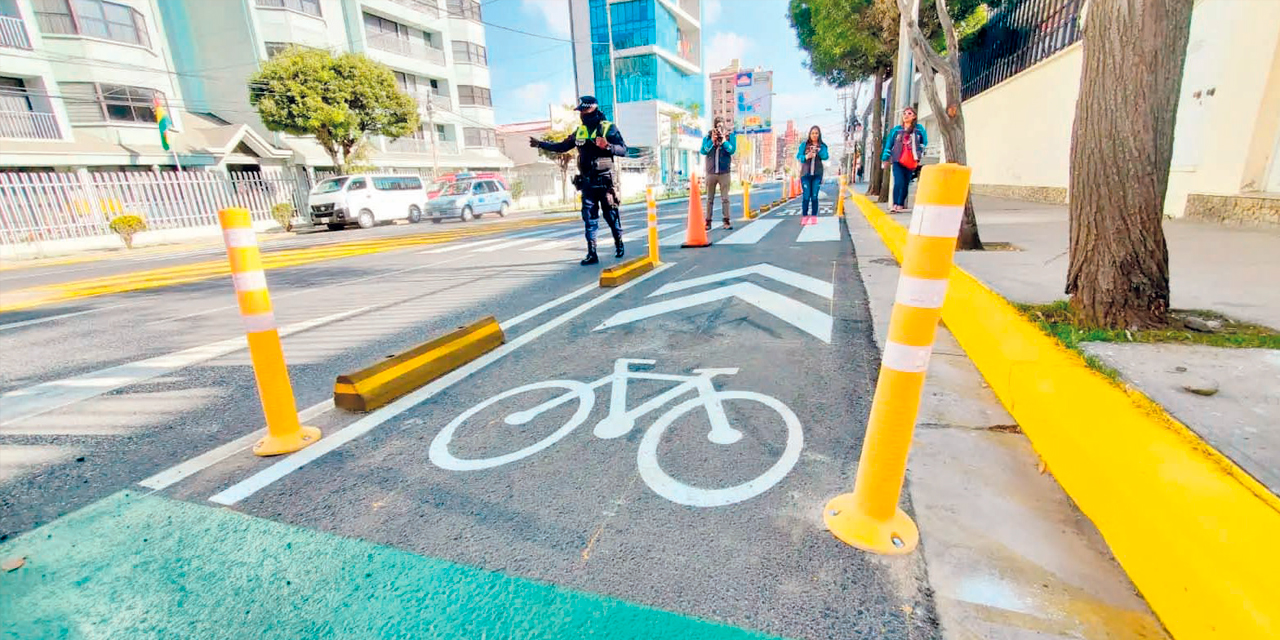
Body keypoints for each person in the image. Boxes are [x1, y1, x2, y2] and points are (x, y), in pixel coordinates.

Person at [529, 96, 627, 265]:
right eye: (580, 110)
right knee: (589, 218)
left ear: (593, 109)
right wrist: (541, 144)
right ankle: (592, 253)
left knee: (611, 215)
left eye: (584, 109)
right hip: (587, 181)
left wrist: (608, 146)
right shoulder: (580, 131)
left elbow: (624, 149)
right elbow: (562, 146)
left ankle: (619, 243)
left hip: (605, 181)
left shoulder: (608, 128)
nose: (582, 113)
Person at [881, 106, 928, 213]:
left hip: (911, 160)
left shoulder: (919, 129)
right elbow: (889, 144)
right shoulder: (896, 130)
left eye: (909, 113)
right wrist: (885, 158)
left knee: (906, 183)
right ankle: (895, 204)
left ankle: (901, 203)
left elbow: (924, 142)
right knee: (898, 182)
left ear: (914, 116)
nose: (906, 115)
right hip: (898, 159)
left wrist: (919, 153)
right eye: (905, 113)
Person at [700, 116, 736, 230]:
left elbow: (732, 150)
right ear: (714, 126)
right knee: (709, 199)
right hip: (711, 173)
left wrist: (724, 141)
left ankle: (726, 221)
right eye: (717, 125)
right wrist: (712, 140)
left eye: (721, 125)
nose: (719, 128)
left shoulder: (730, 136)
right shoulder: (708, 136)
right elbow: (703, 151)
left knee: (725, 198)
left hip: (724, 172)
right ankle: (708, 222)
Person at [795, 126, 829, 223]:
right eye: (812, 133)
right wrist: (806, 156)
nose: (814, 135)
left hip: (817, 174)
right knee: (806, 196)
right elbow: (798, 156)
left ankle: (814, 216)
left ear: (819, 135)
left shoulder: (822, 146)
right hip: (805, 174)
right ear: (810, 134)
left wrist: (819, 151)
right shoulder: (804, 145)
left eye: (816, 133)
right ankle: (805, 216)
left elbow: (825, 156)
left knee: (814, 196)